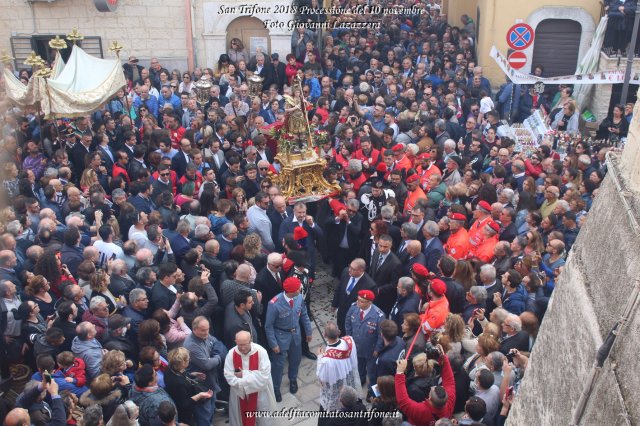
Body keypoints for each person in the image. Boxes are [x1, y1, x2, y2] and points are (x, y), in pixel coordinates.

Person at [264, 276, 312, 402]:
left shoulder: (299, 298)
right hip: (280, 336)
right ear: (291, 291)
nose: (300, 288)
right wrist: (273, 344)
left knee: (295, 359)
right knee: (278, 364)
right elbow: (268, 326)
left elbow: (304, 315)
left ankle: (293, 379)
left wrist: (308, 331)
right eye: (298, 287)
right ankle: (275, 388)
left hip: (296, 334)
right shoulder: (274, 304)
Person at [223, 330, 276, 425]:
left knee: (264, 419)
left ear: (251, 340)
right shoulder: (231, 354)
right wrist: (244, 383)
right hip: (240, 394)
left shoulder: (261, 352)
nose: (242, 348)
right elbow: (228, 376)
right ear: (235, 342)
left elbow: (264, 376)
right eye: (240, 345)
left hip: (260, 393)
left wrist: (244, 375)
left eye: (245, 344)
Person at [394, 344, 456, 424]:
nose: (432, 387)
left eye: (432, 390)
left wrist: (399, 373)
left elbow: (403, 401)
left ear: (430, 397)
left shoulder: (421, 411)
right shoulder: (450, 402)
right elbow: (449, 380)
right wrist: (442, 357)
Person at [183, 316, 224, 426]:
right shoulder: (191, 345)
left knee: (210, 412)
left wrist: (214, 357)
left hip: (211, 382)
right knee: (204, 417)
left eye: (208, 329)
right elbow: (206, 365)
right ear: (194, 329)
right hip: (201, 386)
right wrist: (219, 357)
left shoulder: (205, 335)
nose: (206, 333)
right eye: (203, 330)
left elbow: (217, 343)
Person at [316, 321, 361, 421]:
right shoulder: (350, 341)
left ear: (324, 335)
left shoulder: (326, 360)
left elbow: (322, 377)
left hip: (335, 389)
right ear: (339, 332)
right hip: (348, 381)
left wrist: (320, 357)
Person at [164, 347, 214, 426]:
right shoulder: (178, 383)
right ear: (182, 363)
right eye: (187, 359)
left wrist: (192, 374)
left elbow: (182, 374)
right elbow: (183, 404)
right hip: (186, 416)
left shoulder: (170, 369)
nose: (189, 360)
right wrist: (200, 395)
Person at [344, 290, 384, 387]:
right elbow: (348, 322)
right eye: (358, 300)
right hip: (356, 346)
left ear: (369, 303)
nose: (358, 303)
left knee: (372, 371)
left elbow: (381, 335)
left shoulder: (378, 315)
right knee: (358, 366)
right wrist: (349, 339)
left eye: (361, 301)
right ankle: (361, 381)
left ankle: (372, 390)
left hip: (370, 349)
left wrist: (377, 349)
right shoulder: (354, 308)